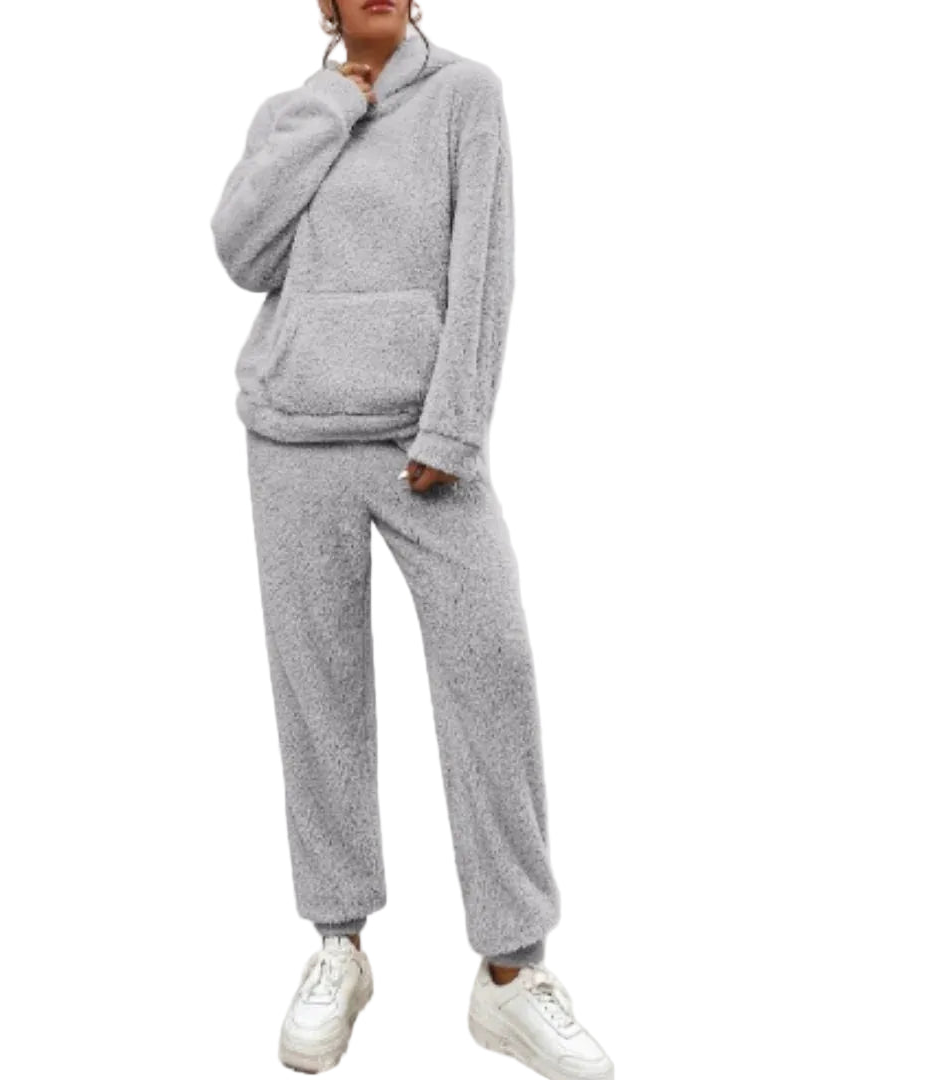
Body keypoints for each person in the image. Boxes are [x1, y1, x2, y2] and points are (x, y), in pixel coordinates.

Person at [210, 3, 614, 1077]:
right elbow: (243, 253)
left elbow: (483, 266)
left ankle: (511, 974)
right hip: (292, 432)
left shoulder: (468, 96)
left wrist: (455, 425)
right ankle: (338, 945)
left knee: (493, 664)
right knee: (320, 691)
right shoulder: (290, 111)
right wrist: (331, 106)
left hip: (419, 439)